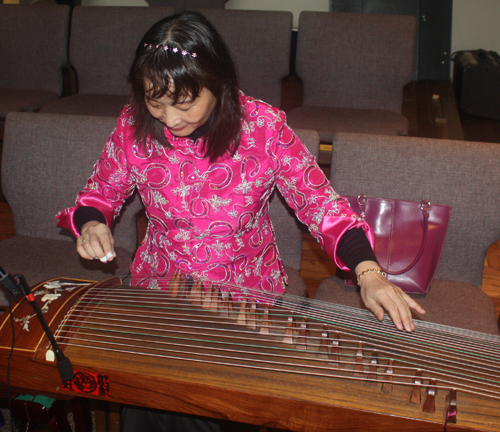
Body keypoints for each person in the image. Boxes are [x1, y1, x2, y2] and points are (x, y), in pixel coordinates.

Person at [56, 10, 425, 431]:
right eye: (154, 103)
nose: (170, 120)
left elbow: (321, 206)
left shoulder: (263, 128)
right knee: (156, 400)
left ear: (218, 84)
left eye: (184, 103)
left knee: (220, 407)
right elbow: (100, 192)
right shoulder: (133, 127)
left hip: (246, 298)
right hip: (163, 291)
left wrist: (368, 272)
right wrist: (91, 223)